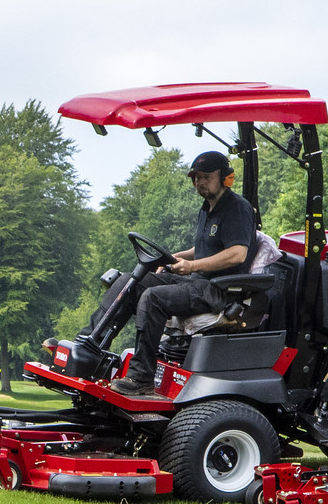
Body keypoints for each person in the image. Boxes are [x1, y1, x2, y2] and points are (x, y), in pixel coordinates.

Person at [110, 151, 260, 396]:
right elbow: (202, 249)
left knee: (153, 297)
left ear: (225, 178)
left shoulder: (237, 208)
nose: (199, 183)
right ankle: (91, 344)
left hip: (219, 290)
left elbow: (237, 254)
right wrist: (177, 257)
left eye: (206, 177)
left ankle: (141, 378)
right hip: (197, 282)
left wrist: (192, 266)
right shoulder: (206, 208)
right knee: (131, 281)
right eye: (196, 178)